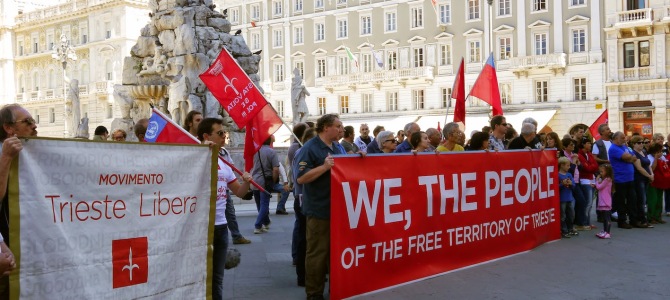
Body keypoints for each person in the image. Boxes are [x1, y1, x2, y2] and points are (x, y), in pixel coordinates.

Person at [197, 118, 252, 300]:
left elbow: (239, 192)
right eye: (220, 133)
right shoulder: (196, 158)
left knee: (218, 277)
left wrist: (246, 182)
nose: (224, 136)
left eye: (225, 133)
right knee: (201, 276)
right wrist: (203, 151)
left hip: (221, 225)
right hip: (202, 226)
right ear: (206, 136)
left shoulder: (223, 162)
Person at [295, 114, 343, 300]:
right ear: (325, 128)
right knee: (317, 253)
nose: (341, 130)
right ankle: (314, 293)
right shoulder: (310, 148)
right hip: (319, 209)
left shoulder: (338, 147)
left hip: (337, 209)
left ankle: (336, 289)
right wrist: (323, 167)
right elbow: (301, 178)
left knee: (335, 253)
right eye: (338, 126)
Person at [0, 104, 33, 291]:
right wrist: (5, 158)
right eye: (27, 122)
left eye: (34, 121)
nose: (34, 126)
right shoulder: (4, 153)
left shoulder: (33, 153)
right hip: (8, 257)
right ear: (8, 128)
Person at [291, 127, 316, 287]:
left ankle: (310, 273)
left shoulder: (306, 152)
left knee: (310, 238)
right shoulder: (302, 153)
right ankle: (303, 275)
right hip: (303, 199)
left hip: (309, 199)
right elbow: (299, 178)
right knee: (304, 239)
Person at [608, 131, 640, 229]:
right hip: (620, 179)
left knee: (632, 200)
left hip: (629, 178)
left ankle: (633, 220)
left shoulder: (624, 147)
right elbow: (627, 156)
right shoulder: (613, 148)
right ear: (616, 138)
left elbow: (634, 157)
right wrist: (628, 158)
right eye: (622, 137)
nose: (624, 139)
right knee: (621, 201)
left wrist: (628, 158)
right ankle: (622, 221)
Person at [251, 137, 279, 234]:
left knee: (259, 204)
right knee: (264, 204)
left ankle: (266, 222)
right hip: (265, 181)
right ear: (270, 141)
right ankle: (258, 225)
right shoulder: (272, 152)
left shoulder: (255, 151)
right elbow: (275, 169)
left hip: (254, 180)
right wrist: (273, 181)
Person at [630, 135, 654, 228]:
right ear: (634, 144)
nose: (641, 145)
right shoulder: (634, 153)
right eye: (639, 143)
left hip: (646, 179)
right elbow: (639, 168)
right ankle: (641, 220)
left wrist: (652, 174)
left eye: (642, 142)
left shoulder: (643, 151)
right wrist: (649, 175)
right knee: (641, 200)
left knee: (644, 199)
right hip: (639, 179)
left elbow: (648, 164)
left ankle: (642, 219)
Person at [576, 138, 599, 230]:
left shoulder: (589, 154)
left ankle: (588, 222)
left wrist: (590, 166)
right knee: (588, 203)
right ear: (583, 144)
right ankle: (583, 222)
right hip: (584, 180)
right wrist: (590, 166)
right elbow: (588, 168)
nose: (590, 145)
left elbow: (595, 166)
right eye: (588, 143)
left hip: (591, 179)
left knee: (590, 203)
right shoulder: (579, 155)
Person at [647, 144, 668, 224]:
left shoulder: (662, 158)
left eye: (661, 151)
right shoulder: (649, 157)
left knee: (659, 199)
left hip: (660, 181)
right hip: (652, 181)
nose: (660, 153)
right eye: (658, 152)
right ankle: (651, 217)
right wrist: (656, 159)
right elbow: (652, 169)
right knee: (653, 200)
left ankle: (658, 216)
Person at [558, 156, 578, 238]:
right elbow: (556, 188)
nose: (569, 167)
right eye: (567, 165)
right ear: (562, 165)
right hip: (562, 199)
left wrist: (570, 184)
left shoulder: (569, 174)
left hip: (570, 198)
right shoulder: (557, 175)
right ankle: (564, 230)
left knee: (571, 214)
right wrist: (562, 184)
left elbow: (574, 186)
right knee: (563, 215)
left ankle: (570, 228)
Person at [595, 164, 613, 239]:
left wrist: (596, 180)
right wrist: (597, 182)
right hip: (603, 200)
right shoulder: (605, 179)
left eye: (602, 172)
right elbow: (600, 185)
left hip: (605, 201)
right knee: (604, 218)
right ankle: (605, 230)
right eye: (600, 172)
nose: (600, 173)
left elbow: (599, 187)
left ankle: (607, 232)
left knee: (607, 218)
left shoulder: (607, 179)